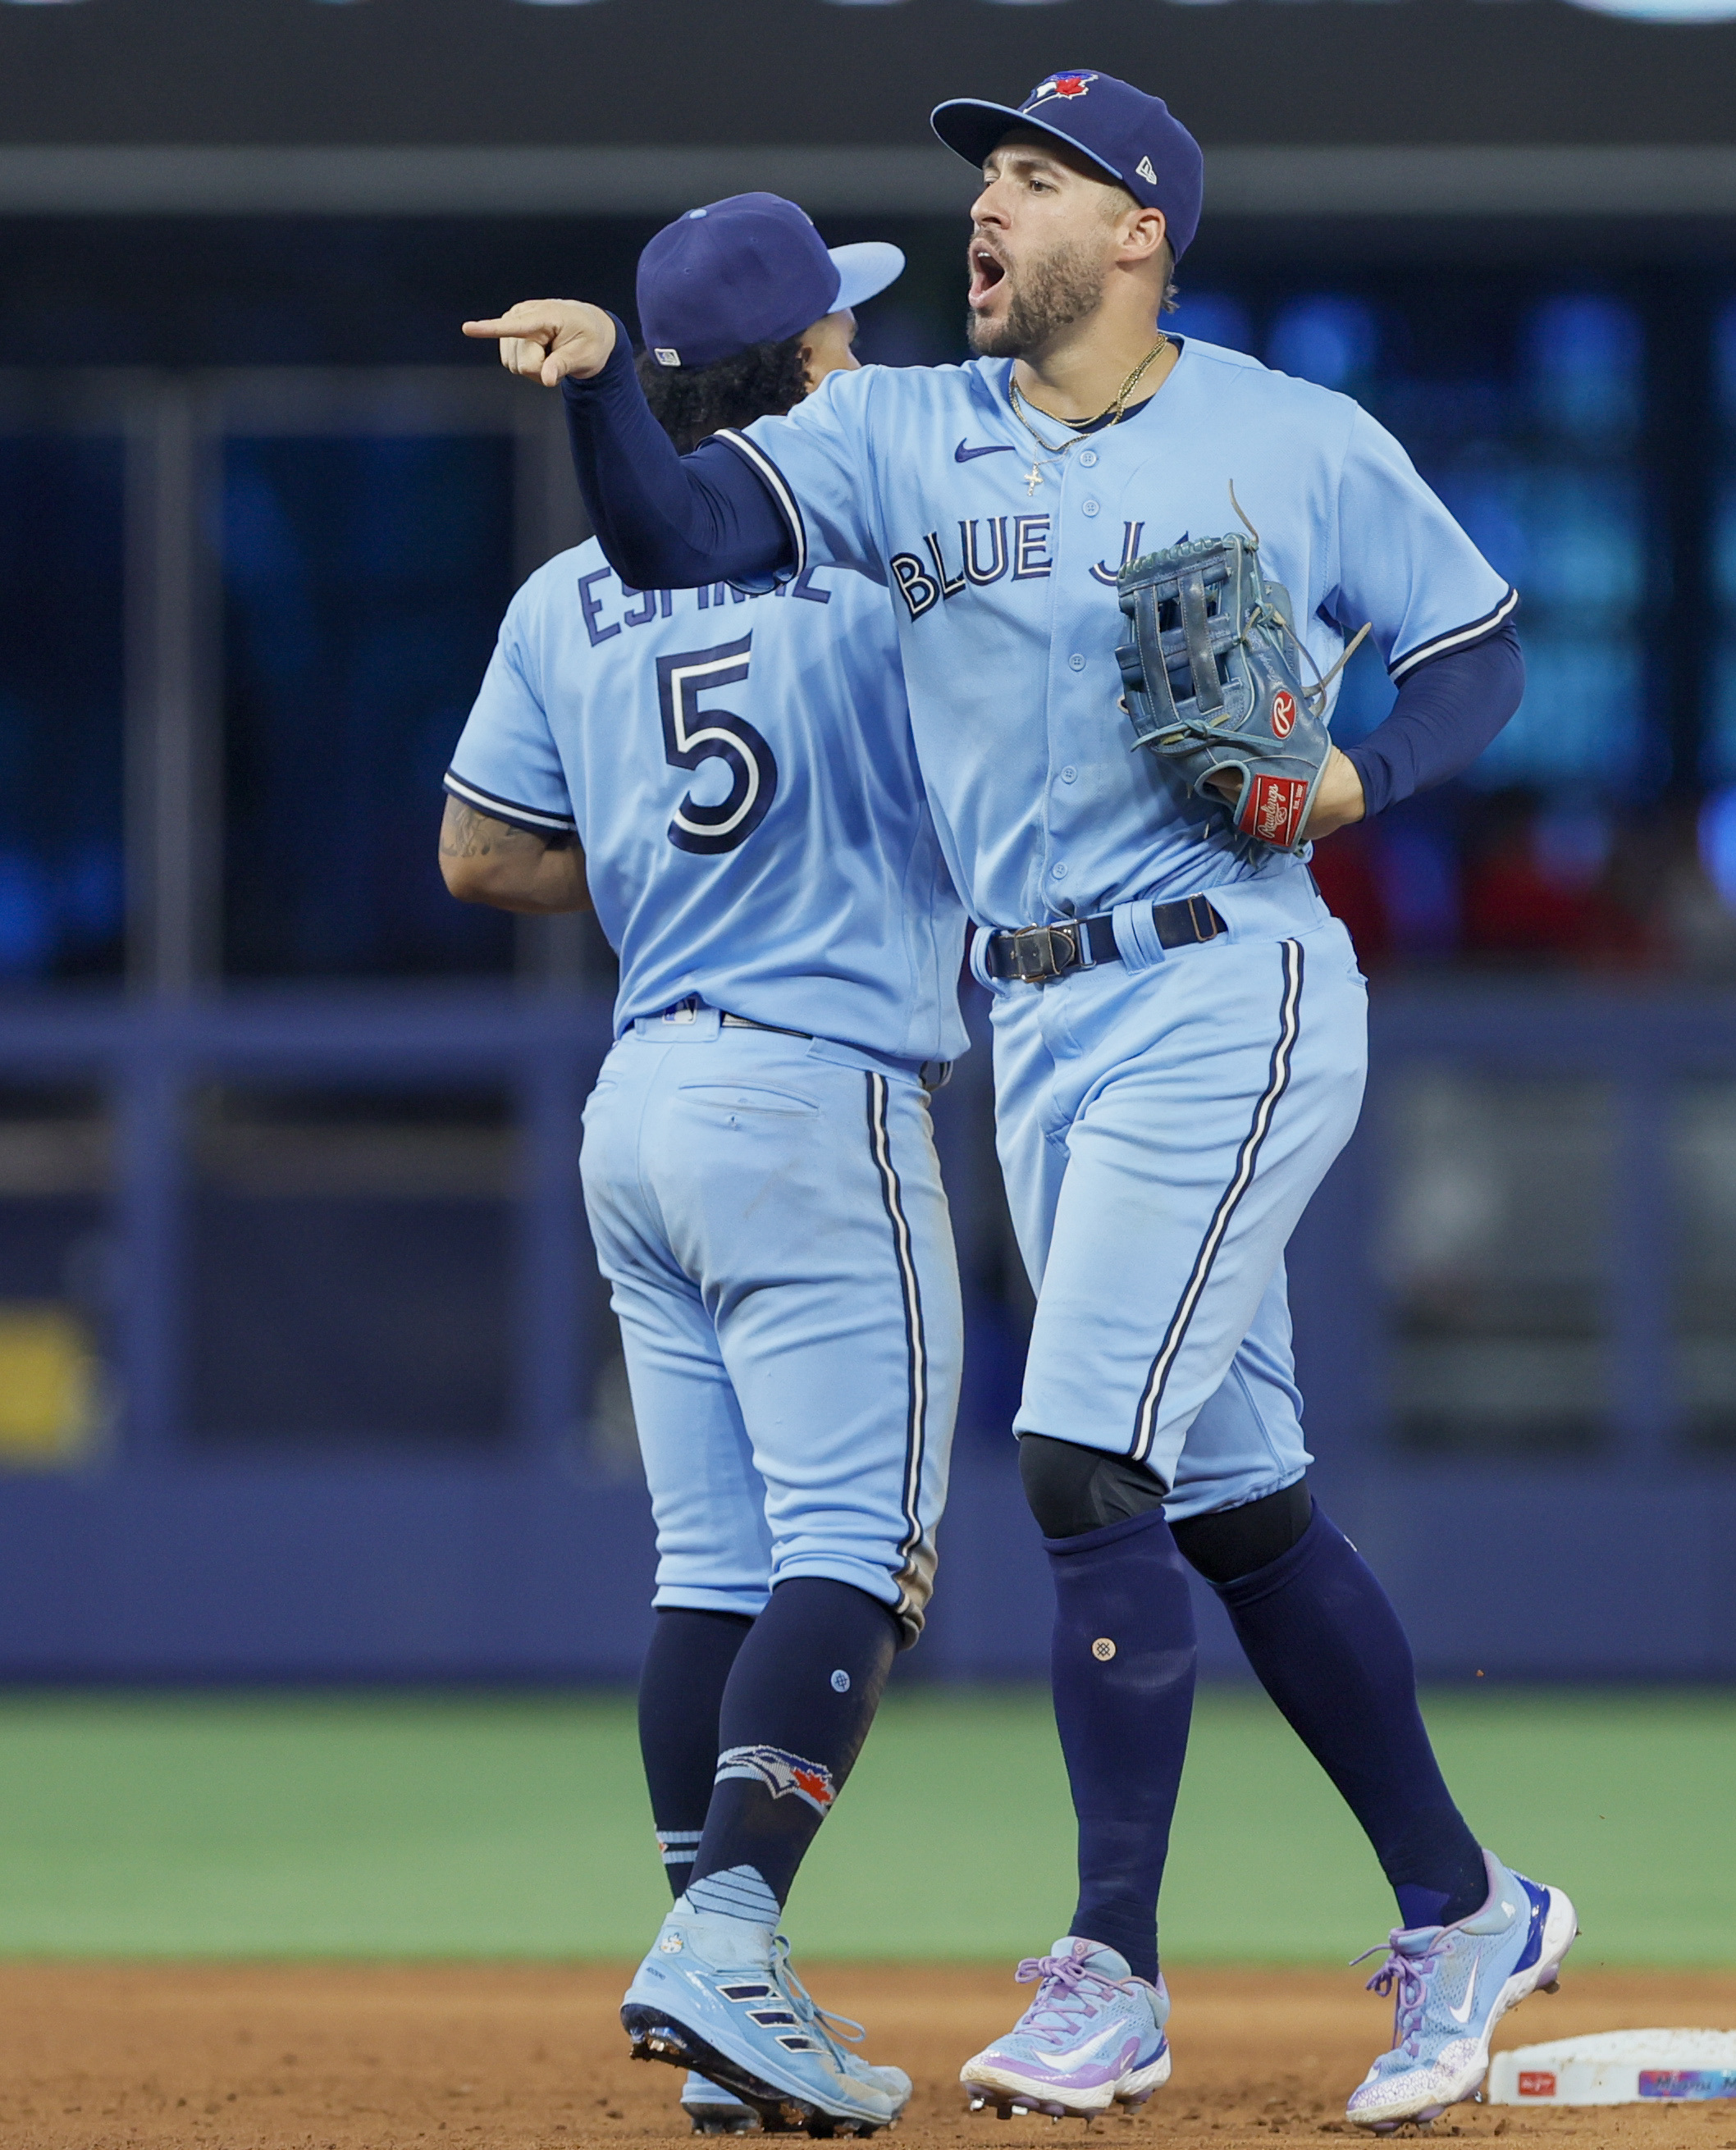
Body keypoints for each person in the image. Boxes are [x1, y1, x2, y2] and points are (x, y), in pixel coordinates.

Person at [463, 66, 1560, 2134]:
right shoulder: (894, 431)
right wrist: (603, 391)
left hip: (1226, 976)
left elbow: (1479, 645)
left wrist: (1356, 779)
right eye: (982, 181)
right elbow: (688, 524)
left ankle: (1112, 1971)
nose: (986, 211)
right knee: (1233, 1502)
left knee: (1076, 1462)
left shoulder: (1291, 437)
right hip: (1035, 1027)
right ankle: (1462, 1904)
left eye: (1035, 183)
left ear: (1140, 229)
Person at [442, 194, 962, 2138]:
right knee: (859, 1551)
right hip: (818, 1090)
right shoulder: (885, 567)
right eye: (848, 330)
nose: (865, 351)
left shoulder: (563, 593)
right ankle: (728, 1941)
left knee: (713, 1562)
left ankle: (724, 1985)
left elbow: (479, 857)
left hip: (641, 1099)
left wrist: (665, 871)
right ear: (814, 362)